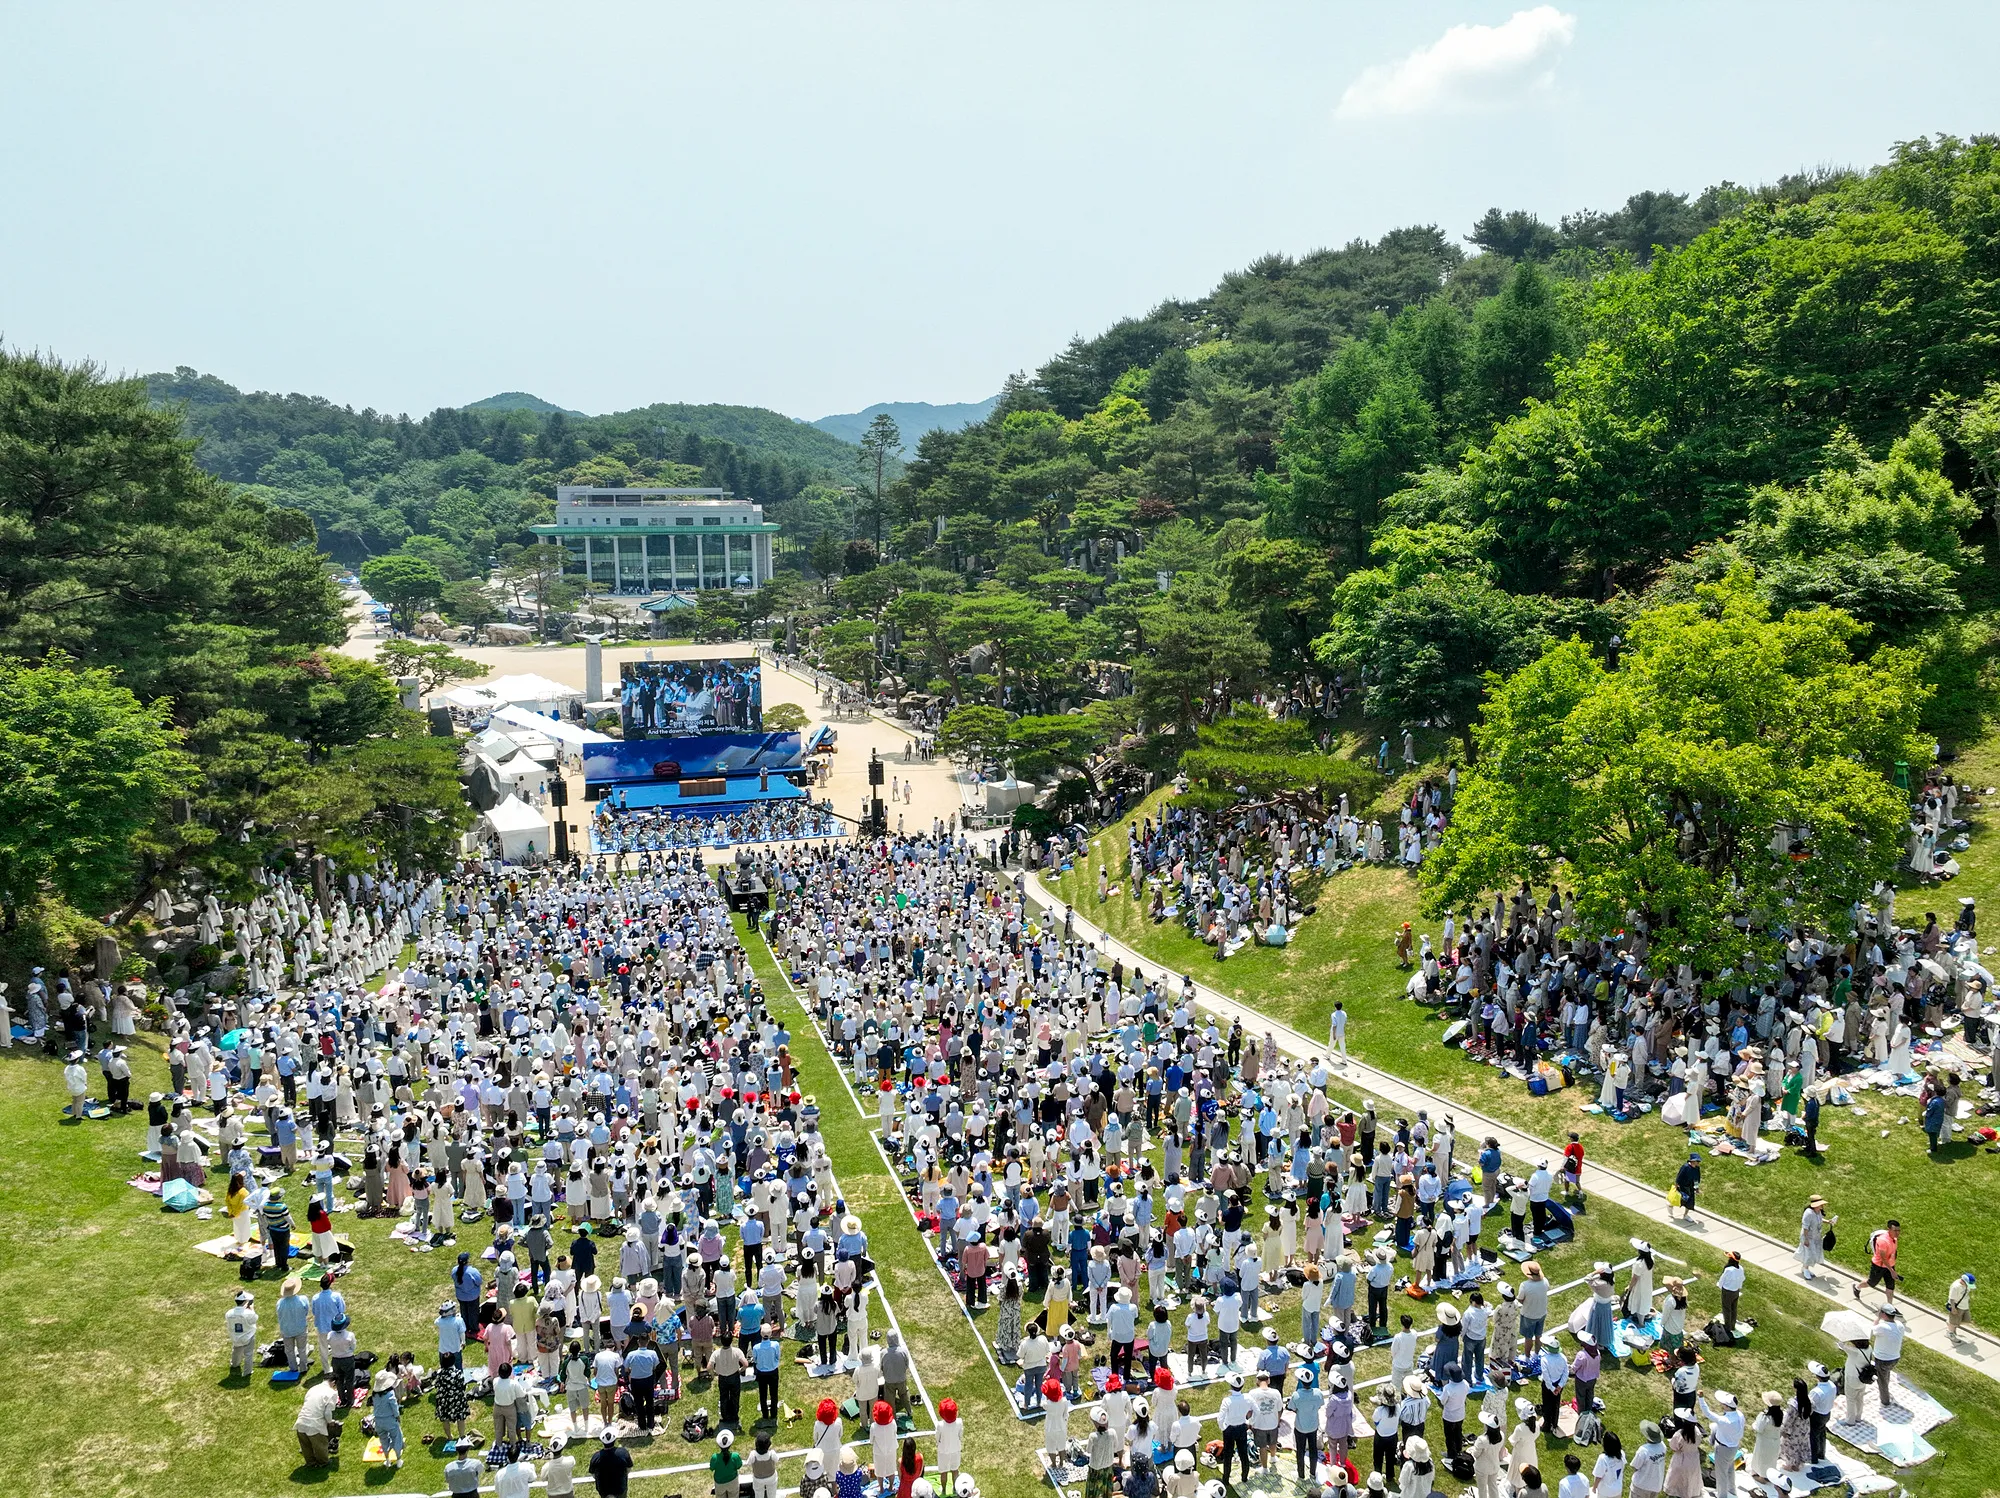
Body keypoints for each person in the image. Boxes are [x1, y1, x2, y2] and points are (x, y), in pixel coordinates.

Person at [1698, 1391, 1742, 1498]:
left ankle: (1722, 1495)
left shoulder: (1725, 1420)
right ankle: (1732, 1491)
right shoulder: (1740, 1415)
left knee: (1721, 1474)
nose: (1721, 1404)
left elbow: (1707, 1413)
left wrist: (1701, 1398)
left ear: (1727, 1406)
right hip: (1734, 1447)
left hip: (1723, 1449)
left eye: (1723, 1404)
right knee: (1730, 1470)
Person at [293, 1378, 341, 1467]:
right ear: (334, 1382)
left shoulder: (313, 1389)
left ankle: (310, 1462)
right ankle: (323, 1463)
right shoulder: (332, 1393)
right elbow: (327, 1413)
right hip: (314, 1425)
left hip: (301, 1421)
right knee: (321, 1445)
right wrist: (330, 1422)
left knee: (305, 1445)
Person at [1858, 1220, 1900, 1305]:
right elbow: (1883, 1259)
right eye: (1895, 1230)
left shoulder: (1894, 1239)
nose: (1897, 1233)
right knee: (1871, 1283)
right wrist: (1892, 1271)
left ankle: (1890, 1306)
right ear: (1889, 1230)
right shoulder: (1883, 1241)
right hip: (1878, 1266)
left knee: (1890, 1287)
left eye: (1898, 1230)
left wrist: (1892, 1265)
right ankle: (1857, 1287)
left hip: (1890, 1265)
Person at [371, 1369, 405, 1468]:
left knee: (383, 1440)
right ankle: (398, 1460)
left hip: (378, 1421)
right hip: (389, 1420)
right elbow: (394, 1407)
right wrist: (397, 1417)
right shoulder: (390, 1394)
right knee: (397, 1438)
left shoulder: (374, 1395)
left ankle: (387, 1460)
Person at [1796, 1196, 1833, 1282]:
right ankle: (1805, 1269)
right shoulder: (1808, 1213)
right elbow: (1805, 1228)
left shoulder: (1818, 1212)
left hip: (1816, 1237)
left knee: (1813, 1254)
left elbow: (1819, 1219)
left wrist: (1828, 1221)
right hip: (1808, 1237)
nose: (1822, 1206)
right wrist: (1806, 1239)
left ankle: (1805, 1268)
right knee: (1809, 1254)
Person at [590, 1430, 635, 1498]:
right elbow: (628, 1468)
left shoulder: (596, 1457)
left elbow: (593, 1474)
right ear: (614, 1440)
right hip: (620, 1489)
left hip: (604, 1491)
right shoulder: (623, 1453)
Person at [225, 1289, 259, 1378]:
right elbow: (254, 1319)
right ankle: (247, 1371)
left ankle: (235, 1364)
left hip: (235, 1336)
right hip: (248, 1336)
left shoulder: (229, 1313)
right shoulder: (249, 1313)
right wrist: (252, 1309)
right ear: (245, 1302)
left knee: (236, 1350)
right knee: (248, 1354)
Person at [711, 1429, 743, 1498]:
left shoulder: (715, 1457)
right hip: (732, 1482)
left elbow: (711, 1468)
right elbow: (739, 1466)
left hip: (719, 1484)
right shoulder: (735, 1456)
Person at [1947, 1271, 1977, 1342]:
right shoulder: (1955, 1287)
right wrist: (1953, 1308)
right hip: (1957, 1306)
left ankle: (1950, 1323)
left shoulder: (1966, 1285)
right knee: (1954, 1322)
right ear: (1963, 1281)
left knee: (1967, 1319)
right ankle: (1950, 1333)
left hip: (1965, 1306)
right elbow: (1951, 1298)